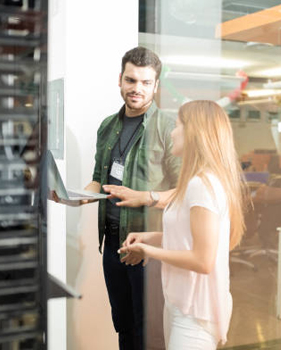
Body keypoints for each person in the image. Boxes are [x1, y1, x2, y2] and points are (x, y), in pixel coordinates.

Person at [53, 47, 180, 349]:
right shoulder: (107, 126)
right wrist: (76, 197)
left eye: (145, 82)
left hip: (147, 247)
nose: (137, 88)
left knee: (149, 332)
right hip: (112, 244)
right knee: (123, 323)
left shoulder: (168, 129)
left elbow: (184, 190)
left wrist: (146, 197)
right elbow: (99, 179)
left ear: (156, 86)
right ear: (120, 80)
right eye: (131, 80)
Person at [106, 100, 247, 349]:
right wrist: (150, 237)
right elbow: (188, 236)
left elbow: (203, 261)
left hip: (195, 313)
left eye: (178, 125)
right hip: (181, 303)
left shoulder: (202, 185)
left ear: (194, 133)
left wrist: (147, 252)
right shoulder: (196, 182)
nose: (172, 132)